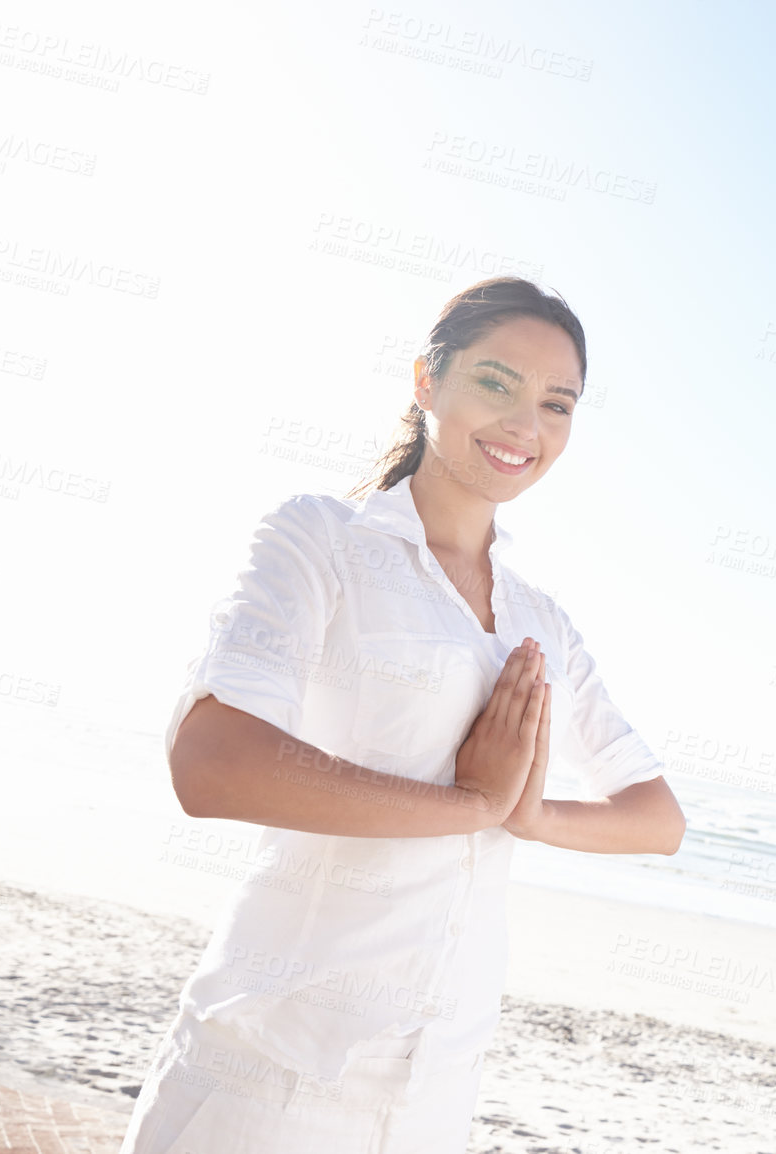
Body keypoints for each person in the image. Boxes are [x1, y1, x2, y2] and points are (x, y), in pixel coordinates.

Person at [119, 277, 686, 1154]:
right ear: (428, 380)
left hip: (434, 1098)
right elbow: (212, 763)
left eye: (556, 403)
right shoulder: (320, 541)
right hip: (266, 1079)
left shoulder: (544, 623)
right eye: (495, 382)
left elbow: (657, 821)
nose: (524, 427)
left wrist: (528, 814)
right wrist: (470, 807)